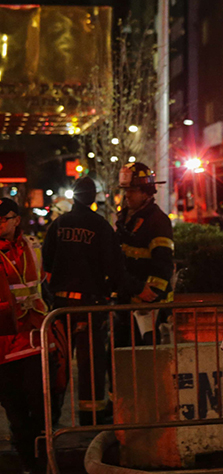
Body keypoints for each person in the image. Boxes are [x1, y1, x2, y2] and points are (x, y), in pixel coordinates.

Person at [42, 177, 126, 425]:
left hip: (60, 308)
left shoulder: (58, 225)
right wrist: (119, 290)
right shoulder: (100, 227)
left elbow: (46, 262)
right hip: (90, 307)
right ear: (93, 197)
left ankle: (52, 416)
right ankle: (91, 417)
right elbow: (114, 266)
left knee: (58, 364)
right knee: (92, 364)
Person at [0, 198, 49, 474]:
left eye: (3, 218)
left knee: (38, 402)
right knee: (14, 406)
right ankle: (28, 462)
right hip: (4, 343)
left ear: (16, 219)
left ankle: (42, 458)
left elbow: (43, 284)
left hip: (33, 339)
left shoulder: (33, 247)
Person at [115, 162, 174, 345]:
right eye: (125, 190)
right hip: (127, 301)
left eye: (132, 191)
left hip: (148, 308)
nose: (127, 195)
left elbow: (163, 263)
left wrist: (149, 294)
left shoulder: (158, 221)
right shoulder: (126, 219)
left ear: (146, 192)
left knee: (146, 358)